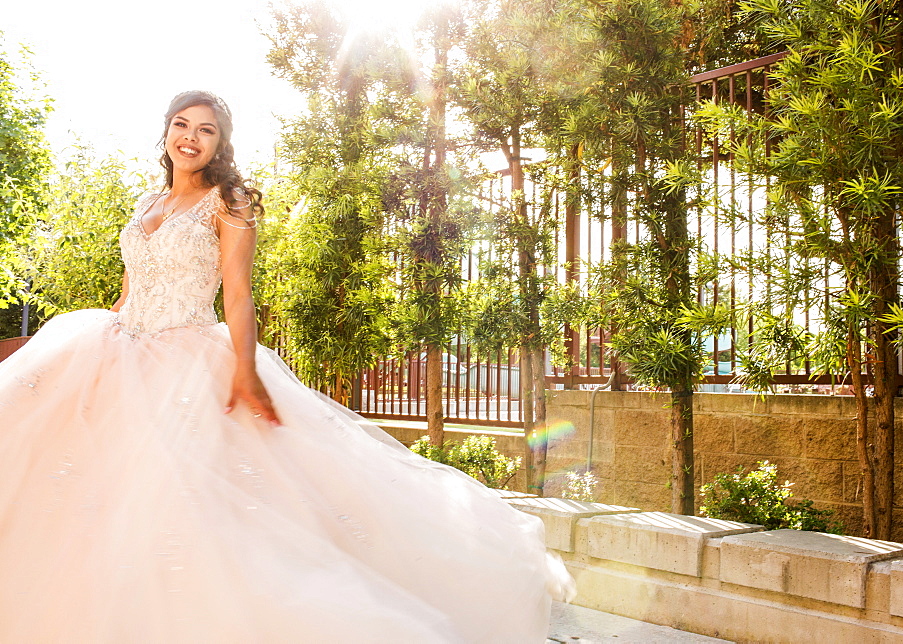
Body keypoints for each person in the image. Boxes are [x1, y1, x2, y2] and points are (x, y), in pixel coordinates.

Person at [0, 90, 573, 642]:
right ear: (167, 130)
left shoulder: (228, 202)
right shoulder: (146, 202)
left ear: (220, 143)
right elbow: (131, 285)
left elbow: (239, 292)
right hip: (121, 348)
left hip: (185, 354)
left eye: (206, 130)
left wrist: (245, 370)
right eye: (182, 124)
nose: (190, 137)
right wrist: (104, 345)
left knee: (195, 496)